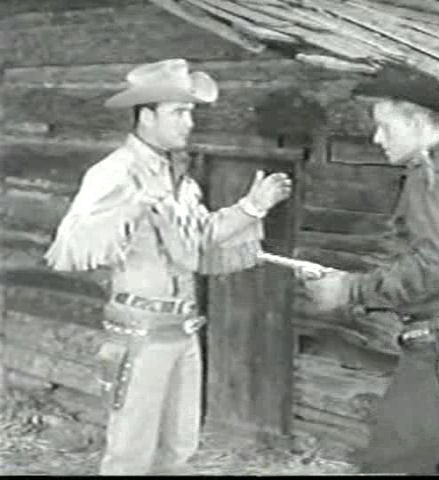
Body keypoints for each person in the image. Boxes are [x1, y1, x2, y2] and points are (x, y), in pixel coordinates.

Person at [44, 58, 292, 475]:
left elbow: (201, 238)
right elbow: (71, 242)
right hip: (140, 336)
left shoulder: (182, 181)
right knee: (130, 454)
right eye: (179, 112)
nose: (189, 123)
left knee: (179, 449)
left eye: (190, 113)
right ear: (146, 116)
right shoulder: (114, 173)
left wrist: (253, 207)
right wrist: (129, 208)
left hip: (183, 330)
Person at [302, 66, 439, 474]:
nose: (377, 138)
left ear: (419, 123)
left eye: (386, 127)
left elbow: (434, 265)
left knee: (393, 465)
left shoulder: (432, 178)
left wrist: (351, 290)